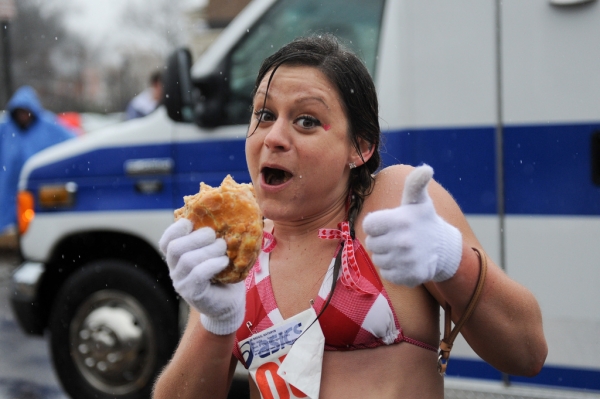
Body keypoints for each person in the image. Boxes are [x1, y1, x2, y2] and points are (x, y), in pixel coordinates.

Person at [153, 35, 547, 399]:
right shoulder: (238, 246)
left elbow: (527, 354)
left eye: (306, 120)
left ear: (359, 148)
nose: (273, 137)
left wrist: (450, 259)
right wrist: (215, 323)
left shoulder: (392, 202)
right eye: (264, 114)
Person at [0, 86, 75, 234]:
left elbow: (74, 143)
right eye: (19, 112)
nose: (22, 116)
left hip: (38, 189)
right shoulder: (6, 129)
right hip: (8, 189)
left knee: (35, 228)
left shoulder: (49, 127)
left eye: (25, 111)